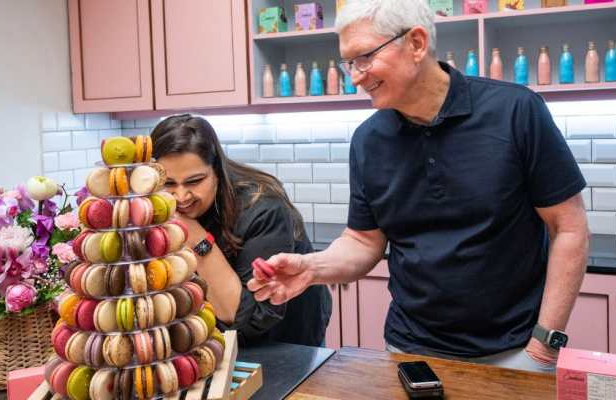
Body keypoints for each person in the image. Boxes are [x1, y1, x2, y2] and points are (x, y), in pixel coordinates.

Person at [247, 0, 589, 372]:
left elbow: (568, 227)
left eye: (364, 57)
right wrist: (310, 267)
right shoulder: (369, 140)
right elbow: (363, 242)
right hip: (410, 348)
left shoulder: (516, 111)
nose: (355, 76)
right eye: (349, 62)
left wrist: (544, 345)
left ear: (416, 43)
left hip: (515, 350)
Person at [150, 114, 332, 347]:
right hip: (218, 342)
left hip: (286, 341)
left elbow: (244, 315)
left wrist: (196, 238)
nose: (181, 196)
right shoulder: (154, 208)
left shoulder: (263, 208)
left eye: (194, 181)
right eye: (169, 184)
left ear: (217, 170)